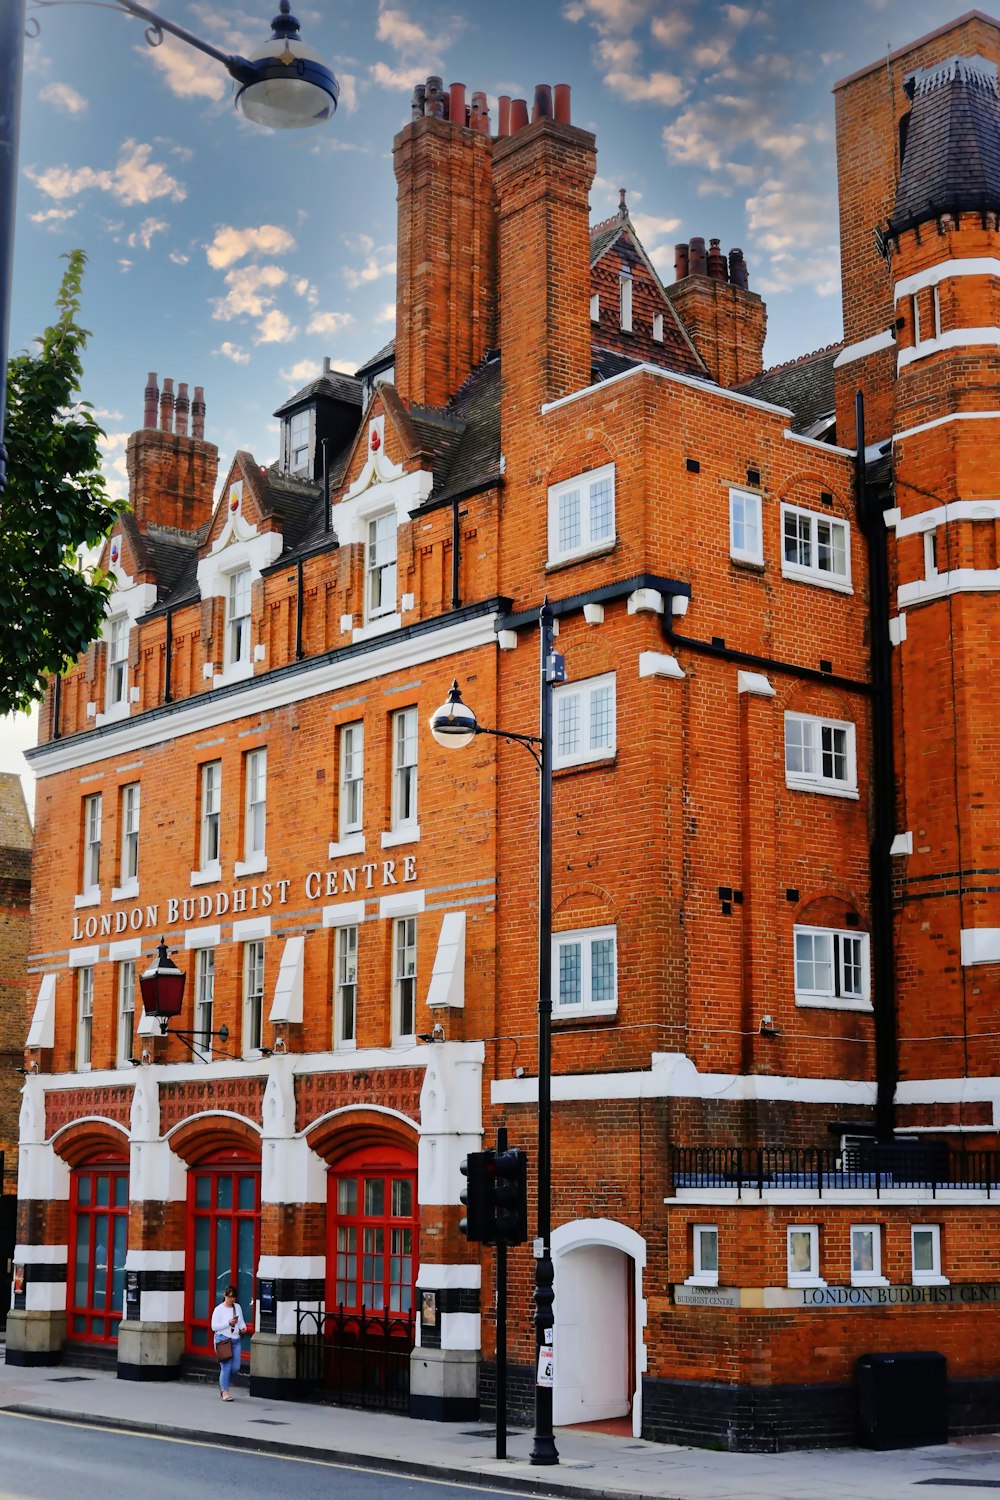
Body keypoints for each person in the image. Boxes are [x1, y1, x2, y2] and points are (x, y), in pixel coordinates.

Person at [210, 1285, 248, 1400]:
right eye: (230, 1297)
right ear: (225, 1296)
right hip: (223, 1340)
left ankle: (223, 1382)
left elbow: (241, 1321)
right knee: (226, 1367)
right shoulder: (219, 1309)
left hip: (235, 1340)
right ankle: (225, 1391)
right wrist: (228, 1323)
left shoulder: (237, 1307)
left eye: (234, 1297)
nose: (232, 1299)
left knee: (235, 1367)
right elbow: (214, 1326)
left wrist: (243, 1328)